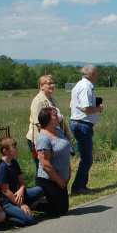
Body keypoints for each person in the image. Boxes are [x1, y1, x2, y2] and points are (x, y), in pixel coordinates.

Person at [69, 65, 103, 195]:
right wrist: (98, 109)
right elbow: (86, 108)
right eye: (96, 73)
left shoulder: (79, 85)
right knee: (87, 158)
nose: (98, 75)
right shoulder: (86, 87)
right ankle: (78, 187)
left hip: (79, 123)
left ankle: (82, 185)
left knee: (85, 157)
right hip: (82, 124)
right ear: (91, 74)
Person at [0, 137, 42, 226]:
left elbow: (22, 182)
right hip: (7, 201)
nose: (16, 150)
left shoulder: (14, 162)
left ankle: (26, 209)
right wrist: (21, 205)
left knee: (39, 190)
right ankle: (8, 218)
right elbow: (5, 191)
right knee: (30, 220)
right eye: (14, 148)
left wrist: (21, 190)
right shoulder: (2, 167)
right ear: (5, 151)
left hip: (18, 195)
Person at [26, 75, 70, 171]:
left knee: (53, 166)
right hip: (40, 140)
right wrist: (52, 138)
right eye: (49, 83)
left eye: (53, 83)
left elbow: (59, 117)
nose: (52, 85)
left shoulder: (52, 99)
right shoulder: (38, 101)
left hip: (52, 137)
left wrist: (65, 133)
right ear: (41, 86)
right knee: (43, 168)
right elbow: (39, 124)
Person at [35, 107, 72, 217]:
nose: (58, 116)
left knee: (63, 209)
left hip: (62, 177)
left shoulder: (58, 130)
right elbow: (45, 163)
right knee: (58, 211)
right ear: (48, 119)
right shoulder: (43, 138)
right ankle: (33, 204)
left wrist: (69, 170)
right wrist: (59, 180)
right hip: (50, 179)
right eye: (55, 115)